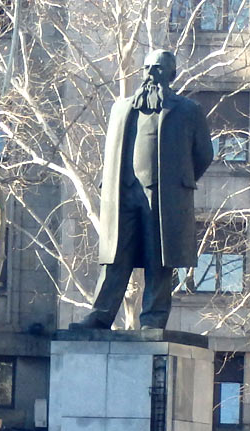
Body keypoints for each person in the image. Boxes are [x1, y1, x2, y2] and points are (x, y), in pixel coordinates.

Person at [69, 49, 213, 331]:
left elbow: (204, 154)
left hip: (163, 196)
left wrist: (178, 183)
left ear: (170, 74)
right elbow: (111, 151)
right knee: (114, 258)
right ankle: (100, 315)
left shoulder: (188, 110)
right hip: (124, 194)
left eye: (157, 69)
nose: (150, 74)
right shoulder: (122, 108)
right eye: (146, 68)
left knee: (158, 259)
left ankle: (153, 320)